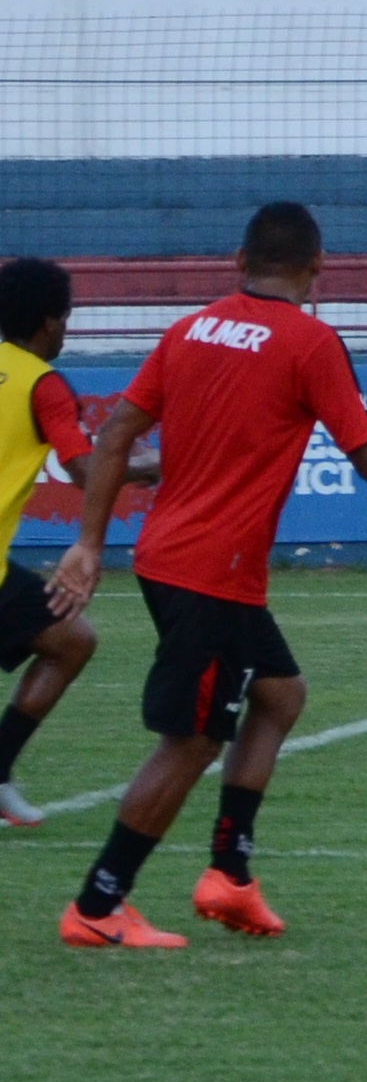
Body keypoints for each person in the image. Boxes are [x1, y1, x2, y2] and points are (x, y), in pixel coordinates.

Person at [49, 204, 367, 947]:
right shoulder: (310, 341)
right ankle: (98, 905)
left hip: (176, 557)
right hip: (210, 571)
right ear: (318, 267)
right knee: (190, 741)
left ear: (237, 259)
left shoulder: (191, 328)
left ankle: (230, 874)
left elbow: (118, 435)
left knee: (279, 694)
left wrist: (90, 543)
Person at [1, 257, 158, 827]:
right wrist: (155, 465)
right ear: (49, 323)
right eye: (66, 319)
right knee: (71, 643)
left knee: (70, 638)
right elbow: (86, 471)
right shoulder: (43, 385)